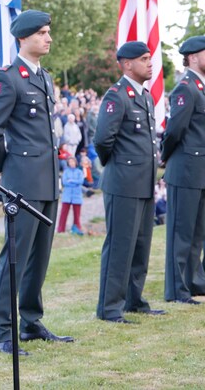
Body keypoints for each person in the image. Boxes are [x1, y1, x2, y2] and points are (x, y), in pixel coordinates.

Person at [0, 10, 72, 356]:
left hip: (47, 179)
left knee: (40, 257)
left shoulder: (44, 77)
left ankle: (31, 322)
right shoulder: (8, 78)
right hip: (22, 180)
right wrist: (4, 168)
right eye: (42, 33)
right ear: (23, 38)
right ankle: (2, 330)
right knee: (16, 257)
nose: (49, 38)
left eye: (48, 32)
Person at [94, 41, 164, 322]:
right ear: (127, 64)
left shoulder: (144, 96)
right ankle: (110, 308)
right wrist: (118, 166)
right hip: (123, 182)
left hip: (144, 182)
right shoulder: (117, 96)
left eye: (149, 58)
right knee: (120, 247)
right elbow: (103, 140)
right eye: (144, 59)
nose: (150, 63)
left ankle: (134, 300)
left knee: (141, 245)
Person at [160, 35, 205, 304]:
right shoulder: (186, 88)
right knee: (181, 232)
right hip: (185, 168)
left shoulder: (200, 87)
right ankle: (177, 289)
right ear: (193, 57)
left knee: (197, 232)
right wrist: (165, 156)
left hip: (199, 170)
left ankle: (193, 282)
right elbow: (174, 130)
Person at [57, 157, 85, 235]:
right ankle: (60, 229)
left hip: (77, 195)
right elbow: (65, 182)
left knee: (77, 214)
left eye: (73, 162)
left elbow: (81, 181)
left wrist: (71, 181)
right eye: (70, 162)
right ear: (68, 163)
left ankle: (77, 229)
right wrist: (75, 183)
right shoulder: (66, 172)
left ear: (75, 162)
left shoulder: (79, 172)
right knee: (63, 213)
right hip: (67, 195)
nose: (72, 163)